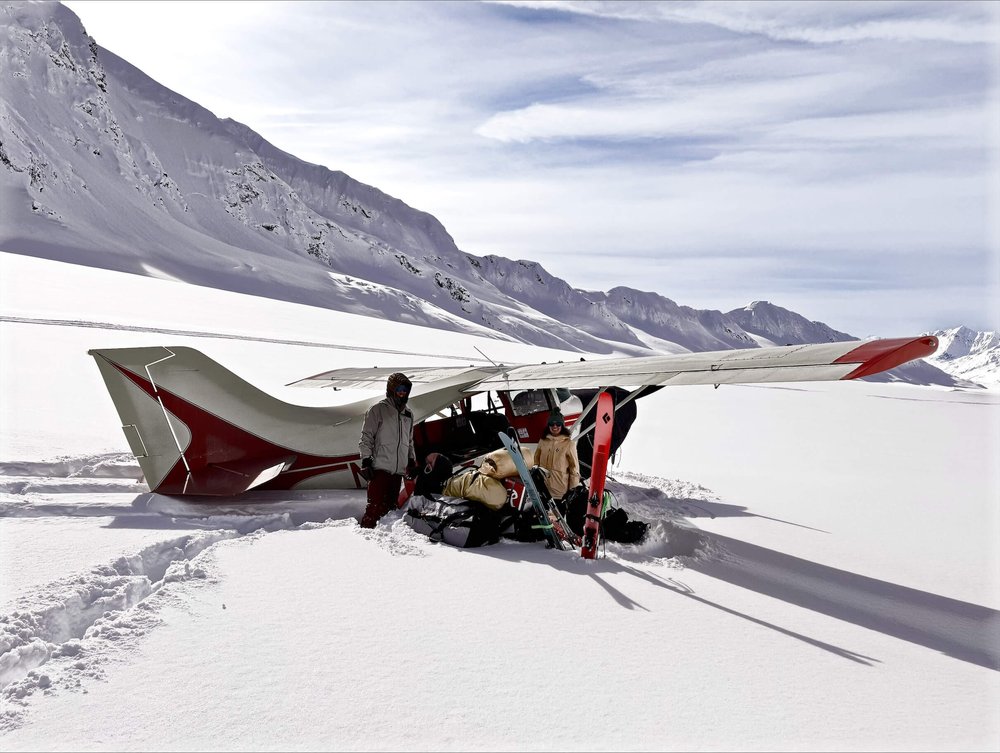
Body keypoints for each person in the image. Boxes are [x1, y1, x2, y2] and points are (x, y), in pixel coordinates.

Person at [358, 372, 418, 528]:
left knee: (390, 511)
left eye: (405, 390)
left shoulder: (408, 414)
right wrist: (366, 459)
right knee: (374, 509)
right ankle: (363, 540)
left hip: (397, 472)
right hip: (379, 469)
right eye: (399, 389)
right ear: (391, 390)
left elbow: (409, 441)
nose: (402, 393)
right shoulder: (378, 410)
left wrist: (411, 460)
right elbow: (366, 437)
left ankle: (384, 546)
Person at [532, 411, 580, 501]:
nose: (555, 427)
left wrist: (572, 490)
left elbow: (574, 468)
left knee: (558, 514)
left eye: (558, 424)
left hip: (559, 491)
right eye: (551, 424)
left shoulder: (569, 444)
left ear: (562, 426)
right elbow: (536, 459)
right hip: (542, 489)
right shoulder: (543, 441)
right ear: (548, 425)